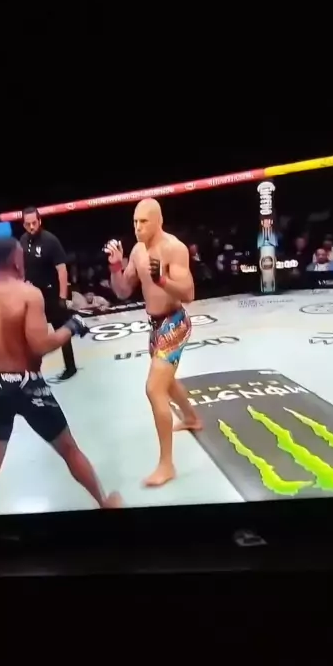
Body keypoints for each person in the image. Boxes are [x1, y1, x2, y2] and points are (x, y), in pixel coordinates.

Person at [0, 237, 122, 515]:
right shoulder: (29, 295)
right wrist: (72, 326)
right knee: (70, 450)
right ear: (16, 260)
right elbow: (41, 345)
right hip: (28, 386)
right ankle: (105, 504)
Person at [104, 198, 201, 488]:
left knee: (154, 388)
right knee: (166, 382)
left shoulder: (174, 248)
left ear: (158, 221)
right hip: (155, 326)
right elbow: (122, 291)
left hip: (175, 322)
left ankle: (166, 464)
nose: (137, 227)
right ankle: (192, 418)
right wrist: (115, 267)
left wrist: (162, 281)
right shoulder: (137, 251)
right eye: (135, 222)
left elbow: (189, 293)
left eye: (143, 221)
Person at [20, 206, 77, 381]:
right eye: (28, 224)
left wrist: (62, 297)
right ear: (23, 224)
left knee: (62, 329)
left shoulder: (50, 241)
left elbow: (62, 269)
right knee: (30, 334)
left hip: (52, 294)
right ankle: (31, 372)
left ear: (40, 221)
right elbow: (22, 267)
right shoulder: (22, 241)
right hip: (33, 296)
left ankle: (70, 367)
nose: (31, 227)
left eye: (34, 223)